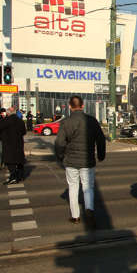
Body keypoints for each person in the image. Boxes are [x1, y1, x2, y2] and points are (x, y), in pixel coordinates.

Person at [55, 95, 106, 227]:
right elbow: (101, 139)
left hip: (71, 161)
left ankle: (75, 216)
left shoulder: (66, 122)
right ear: (83, 106)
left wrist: (60, 156)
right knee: (88, 187)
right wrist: (101, 155)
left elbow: (60, 142)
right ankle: (89, 210)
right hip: (88, 161)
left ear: (70, 107)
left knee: (73, 187)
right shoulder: (92, 121)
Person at [0, 104, 27, 185]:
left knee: (10, 161)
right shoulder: (20, 121)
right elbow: (24, 132)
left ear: (8, 113)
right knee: (19, 160)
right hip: (18, 143)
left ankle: (13, 177)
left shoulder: (6, 120)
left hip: (8, 143)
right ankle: (20, 176)